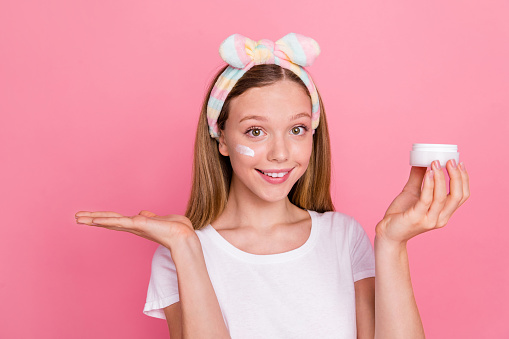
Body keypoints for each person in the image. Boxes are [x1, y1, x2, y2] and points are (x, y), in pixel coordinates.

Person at [75, 33, 470, 339]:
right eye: (256, 131)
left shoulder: (344, 238)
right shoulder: (180, 253)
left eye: (297, 129)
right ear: (222, 139)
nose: (281, 153)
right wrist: (185, 247)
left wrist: (392, 242)